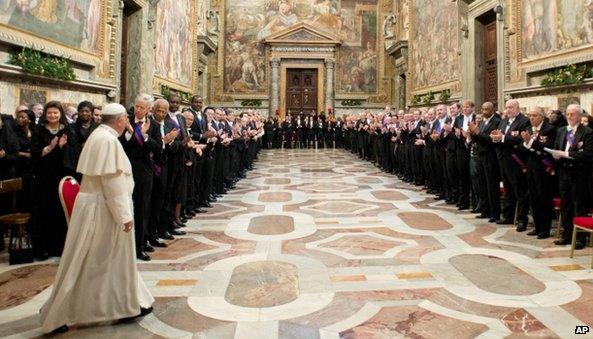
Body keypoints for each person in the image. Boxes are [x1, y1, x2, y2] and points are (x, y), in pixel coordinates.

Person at [39, 103, 154, 334]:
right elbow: (113, 183)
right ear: (121, 120)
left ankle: (126, 304)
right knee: (98, 261)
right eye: (126, 120)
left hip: (98, 207)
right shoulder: (109, 141)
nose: (126, 124)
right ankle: (80, 310)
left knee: (106, 261)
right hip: (104, 210)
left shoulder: (97, 135)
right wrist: (124, 215)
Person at [31, 101, 78, 259]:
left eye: (55, 113)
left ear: (60, 114)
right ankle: (44, 248)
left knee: (60, 212)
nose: (52, 115)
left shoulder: (68, 129)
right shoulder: (39, 129)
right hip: (44, 177)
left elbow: (74, 151)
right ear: (45, 114)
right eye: (49, 113)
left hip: (60, 176)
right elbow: (34, 152)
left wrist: (63, 147)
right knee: (44, 211)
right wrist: (50, 148)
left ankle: (61, 248)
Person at [550, 104, 593, 249]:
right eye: (567, 114)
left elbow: (588, 154)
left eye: (573, 114)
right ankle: (567, 235)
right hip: (564, 173)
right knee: (565, 205)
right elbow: (557, 147)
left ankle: (581, 238)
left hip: (579, 174)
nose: (569, 117)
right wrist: (555, 155)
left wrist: (567, 154)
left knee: (579, 205)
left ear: (580, 116)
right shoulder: (562, 130)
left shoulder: (587, 132)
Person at [521, 106, 556, 238]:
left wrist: (530, 142)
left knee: (544, 198)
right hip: (530, 167)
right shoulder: (529, 129)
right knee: (533, 197)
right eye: (530, 115)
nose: (531, 118)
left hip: (544, 168)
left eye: (534, 115)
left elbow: (547, 148)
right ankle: (537, 226)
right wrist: (526, 143)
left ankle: (545, 229)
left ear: (542, 116)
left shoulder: (549, 129)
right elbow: (522, 148)